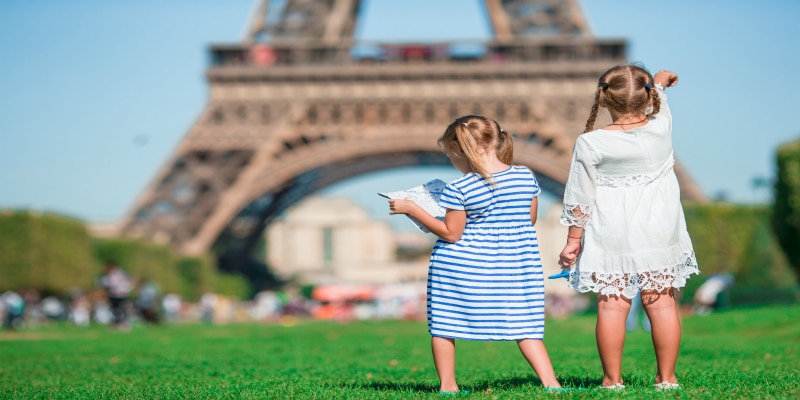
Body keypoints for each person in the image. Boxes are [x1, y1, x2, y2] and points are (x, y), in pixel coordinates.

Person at [388, 115, 564, 394]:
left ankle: (448, 386)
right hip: (514, 264)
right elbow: (529, 219)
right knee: (525, 322)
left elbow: (451, 233)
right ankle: (551, 383)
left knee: (445, 323)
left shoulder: (459, 188)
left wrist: (413, 209)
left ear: (461, 150)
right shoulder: (525, 176)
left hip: (463, 264)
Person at [557, 65, 700, 390]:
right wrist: (661, 82)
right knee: (662, 302)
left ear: (604, 98)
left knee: (611, 304)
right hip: (659, 227)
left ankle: (611, 380)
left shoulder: (590, 142)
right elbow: (657, 99)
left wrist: (573, 240)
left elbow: (580, 195)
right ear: (648, 96)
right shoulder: (661, 125)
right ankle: (667, 378)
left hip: (611, 229)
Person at [97, 262, 134, 329]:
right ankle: (119, 322)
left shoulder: (115, 274)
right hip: (121, 293)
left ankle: (120, 322)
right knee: (118, 309)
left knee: (117, 309)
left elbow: (109, 283)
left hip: (118, 294)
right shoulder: (121, 273)